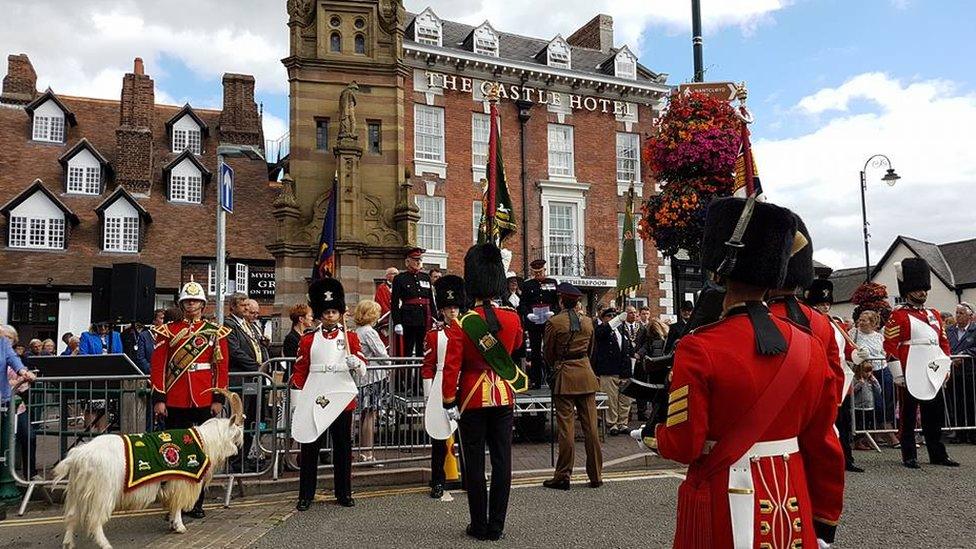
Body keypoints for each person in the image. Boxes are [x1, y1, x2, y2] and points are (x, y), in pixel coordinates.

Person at [643, 197, 844, 549]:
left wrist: (651, 435)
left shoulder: (699, 346)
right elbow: (823, 442)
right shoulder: (809, 344)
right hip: (792, 501)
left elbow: (684, 443)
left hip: (725, 497)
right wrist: (824, 518)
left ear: (717, 274)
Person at [442, 244, 523, 541]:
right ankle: (496, 526)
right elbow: (513, 351)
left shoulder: (462, 324)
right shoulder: (513, 318)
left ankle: (479, 524)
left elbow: (452, 367)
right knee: (503, 462)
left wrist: (448, 400)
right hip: (503, 394)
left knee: (474, 463)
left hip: (472, 398)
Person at [150, 279, 230, 519]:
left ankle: (196, 501)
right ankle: (175, 503)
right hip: (176, 398)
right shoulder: (168, 331)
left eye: (195, 300)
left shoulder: (215, 331)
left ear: (203, 304)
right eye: (187, 300)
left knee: (201, 452)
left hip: (204, 398)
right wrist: (159, 398)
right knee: (175, 451)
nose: (191, 304)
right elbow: (158, 367)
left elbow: (221, 368)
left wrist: (218, 398)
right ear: (181, 303)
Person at [292, 277, 367, 511]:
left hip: (341, 397)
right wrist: (297, 401)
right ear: (320, 315)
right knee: (310, 446)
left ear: (340, 313)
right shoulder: (308, 339)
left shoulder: (350, 337)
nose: (330, 316)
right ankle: (306, 493)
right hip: (315, 394)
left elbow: (363, 367)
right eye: (326, 312)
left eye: (334, 311)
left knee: (343, 447)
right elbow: (300, 371)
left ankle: (343, 492)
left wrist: (357, 362)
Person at [883, 257, 959, 469]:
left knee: (934, 414)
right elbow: (890, 345)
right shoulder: (898, 315)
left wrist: (945, 366)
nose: (922, 293)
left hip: (932, 368)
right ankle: (909, 455)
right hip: (910, 369)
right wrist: (898, 373)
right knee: (908, 415)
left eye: (924, 289)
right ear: (908, 291)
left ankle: (938, 453)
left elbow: (943, 342)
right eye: (917, 289)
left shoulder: (934, 314)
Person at [542, 283, 602, 491]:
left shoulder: (554, 322)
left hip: (565, 374)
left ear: (560, 300)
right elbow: (592, 350)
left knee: (566, 429)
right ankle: (596, 475)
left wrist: (555, 366)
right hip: (585, 373)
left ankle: (563, 475)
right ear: (577, 301)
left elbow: (548, 353)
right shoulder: (588, 322)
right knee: (591, 428)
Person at [421, 275, 465, 498]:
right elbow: (428, 366)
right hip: (440, 384)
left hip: (463, 383)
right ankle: (437, 480)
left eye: (455, 307)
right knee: (439, 437)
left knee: (467, 434)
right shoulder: (433, 335)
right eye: (448, 308)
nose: (452, 312)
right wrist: (428, 394)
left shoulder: (468, 331)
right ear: (442, 310)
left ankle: (468, 475)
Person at [224, 292, 269, 470]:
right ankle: (235, 461)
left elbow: (253, 345)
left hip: (252, 378)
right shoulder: (229, 324)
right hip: (241, 377)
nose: (246, 309)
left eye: (246, 305)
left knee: (252, 417)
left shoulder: (247, 325)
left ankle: (244, 457)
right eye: (243, 306)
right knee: (239, 419)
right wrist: (256, 365)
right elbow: (234, 351)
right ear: (233, 307)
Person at [849, 310, 897, 446]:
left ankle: (880, 433)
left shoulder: (879, 336)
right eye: (860, 319)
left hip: (882, 369)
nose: (860, 322)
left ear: (873, 322)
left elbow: (885, 351)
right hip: (864, 372)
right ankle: (885, 433)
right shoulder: (854, 333)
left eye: (864, 320)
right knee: (874, 403)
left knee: (887, 400)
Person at [352, 299, 389, 464]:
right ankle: (367, 453)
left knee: (364, 415)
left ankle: (363, 451)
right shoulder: (369, 332)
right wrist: (390, 365)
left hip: (362, 378)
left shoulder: (357, 331)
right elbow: (381, 354)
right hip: (373, 378)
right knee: (370, 415)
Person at [1, 325, 37, 480]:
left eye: (10, 338)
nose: (6, 339)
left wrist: (23, 372)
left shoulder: (4, 347)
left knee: (28, 435)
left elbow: (15, 362)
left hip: (11, 403)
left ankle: (30, 474)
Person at [518, 259, 560, 389]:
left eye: (540, 272)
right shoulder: (528, 285)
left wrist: (553, 312)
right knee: (535, 351)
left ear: (544, 270)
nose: (538, 275)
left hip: (548, 321)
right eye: (535, 273)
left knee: (550, 349)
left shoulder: (552, 283)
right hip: (534, 321)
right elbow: (522, 304)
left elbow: (557, 302)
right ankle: (536, 380)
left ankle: (552, 378)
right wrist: (528, 314)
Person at [590, 308, 632, 436]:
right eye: (609, 316)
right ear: (603, 318)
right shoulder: (601, 330)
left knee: (625, 400)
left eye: (614, 315)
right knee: (611, 400)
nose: (612, 317)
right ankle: (612, 423)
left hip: (623, 369)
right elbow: (601, 333)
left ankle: (622, 423)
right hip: (609, 370)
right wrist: (616, 321)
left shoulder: (622, 330)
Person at [391, 248, 434, 359]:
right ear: (407, 262)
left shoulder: (425, 277)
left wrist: (435, 317)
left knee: (423, 349)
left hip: (425, 318)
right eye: (415, 259)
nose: (418, 262)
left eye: (419, 259)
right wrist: (397, 322)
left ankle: (420, 376)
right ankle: (407, 374)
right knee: (407, 350)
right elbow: (394, 303)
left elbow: (430, 300)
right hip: (408, 318)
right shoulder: (400, 278)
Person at [948, 302, 976, 443]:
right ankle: (959, 433)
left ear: (970, 316)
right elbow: (945, 346)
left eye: (961, 313)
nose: (958, 316)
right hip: (954, 372)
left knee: (972, 402)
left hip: (971, 371)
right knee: (956, 402)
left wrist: (965, 353)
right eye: (957, 313)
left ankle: (973, 433)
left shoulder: (974, 329)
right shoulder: (950, 330)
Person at [852, 363, 882, 449]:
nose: (868, 374)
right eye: (866, 371)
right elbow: (853, 391)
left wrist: (875, 382)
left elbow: (879, 390)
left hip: (870, 406)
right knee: (860, 425)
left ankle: (868, 441)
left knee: (869, 424)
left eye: (870, 371)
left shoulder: (871, 380)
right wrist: (859, 384)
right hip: (859, 407)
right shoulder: (856, 379)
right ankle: (858, 442)